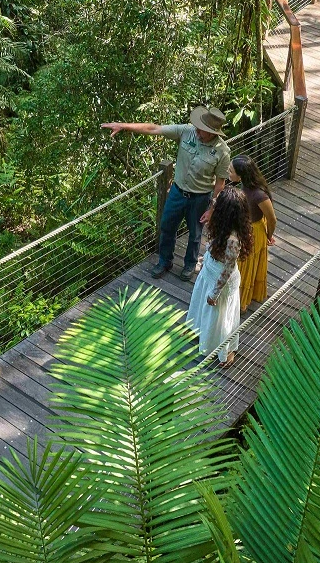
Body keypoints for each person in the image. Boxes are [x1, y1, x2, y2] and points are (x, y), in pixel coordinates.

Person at [101, 107, 230, 281]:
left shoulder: (222, 151)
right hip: (177, 192)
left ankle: (190, 264)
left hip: (200, 197)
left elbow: (220, 184)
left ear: (212, 132)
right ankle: (165, 261)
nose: (197, 131)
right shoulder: (187, 131)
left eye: (202, 130)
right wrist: (123, 126)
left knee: (195, 234)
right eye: (198, 127)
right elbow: (154, 129)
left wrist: (212, 209)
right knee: (167, 226)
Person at [186, 187, 253, 368]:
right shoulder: (222, 228)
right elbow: (215, 249)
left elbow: (228, 270)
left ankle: (225, 350)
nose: (213, 206)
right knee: (206, 312)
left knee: (220, 317)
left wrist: (215, 293)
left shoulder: (233, 239)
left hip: (220, 284)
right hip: (209, 272)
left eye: (217, 205)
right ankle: (202, 333)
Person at [228, 155, 277, 313]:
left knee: (246, 267)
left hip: (253, 232)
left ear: (241, 175)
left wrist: (269, 236)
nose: (228, 173)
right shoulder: (243, 187)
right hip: (243, 228)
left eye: (231, 171)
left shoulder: (259, 195)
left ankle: (242, 302)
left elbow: (272, 219)